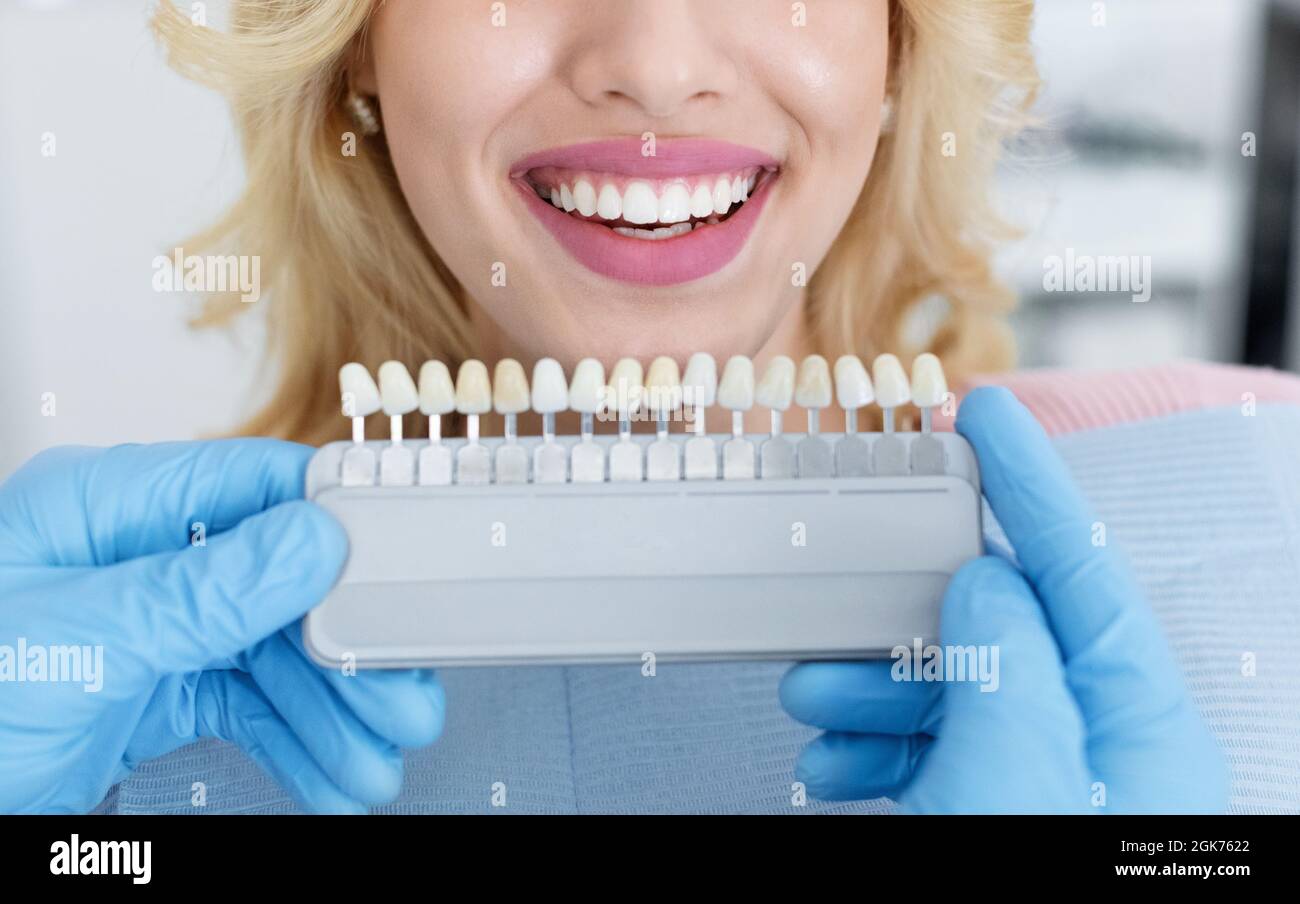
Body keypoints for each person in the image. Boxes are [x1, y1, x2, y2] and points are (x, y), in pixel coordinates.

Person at [0, 0, 1227, 814]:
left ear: (900, 38)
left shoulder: (1252, 499)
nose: (651, 65)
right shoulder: (117, 716)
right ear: (357, 37)